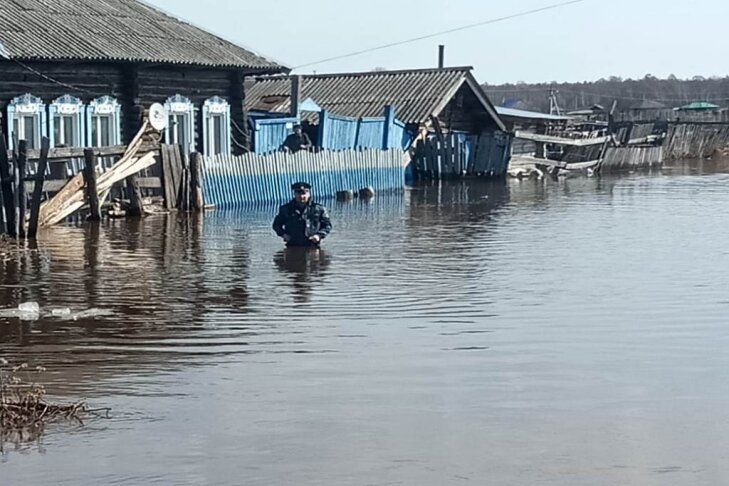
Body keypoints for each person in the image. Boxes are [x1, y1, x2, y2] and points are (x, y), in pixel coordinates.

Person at [273, 182, 332, 247]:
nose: (301, 196)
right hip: (292, 245)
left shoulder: (319, 209)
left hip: (313, 245)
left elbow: (327, 226)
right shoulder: (286, 209)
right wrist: (284, 234)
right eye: (298, 193)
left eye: (304, 193)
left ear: (309, 194)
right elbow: (276, 225)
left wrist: (319, 235)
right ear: (294, 194)